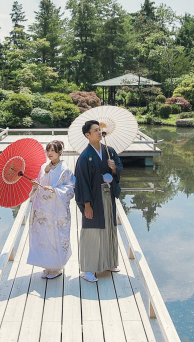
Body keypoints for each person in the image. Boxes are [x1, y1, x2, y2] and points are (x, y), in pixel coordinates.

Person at [74, 119, 123, 283]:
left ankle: (108, 262)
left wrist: (113, 167)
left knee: (109, 227)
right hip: (94, 199)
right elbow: (81, 183)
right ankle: (87, 268)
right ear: (87, 135)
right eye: (95, 130)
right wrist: (86, 205)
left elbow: (119, 171)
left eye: (100, 129)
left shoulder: (110, 151)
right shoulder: (84, 157)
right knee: (92, 232)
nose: (99, 132)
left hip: (108, 196)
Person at [26, 140, 76, 279]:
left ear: (60, 152)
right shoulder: (43, 167)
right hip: (42, 208)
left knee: (55, 236)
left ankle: (57, 267)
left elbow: (71, 188)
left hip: (56, 209)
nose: (49, 154)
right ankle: (47, 265)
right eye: (47, 151)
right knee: (43, 236)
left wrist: (55, 190)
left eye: (52, 151)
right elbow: (40, 183)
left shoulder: (65, 169)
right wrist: (36, 185)